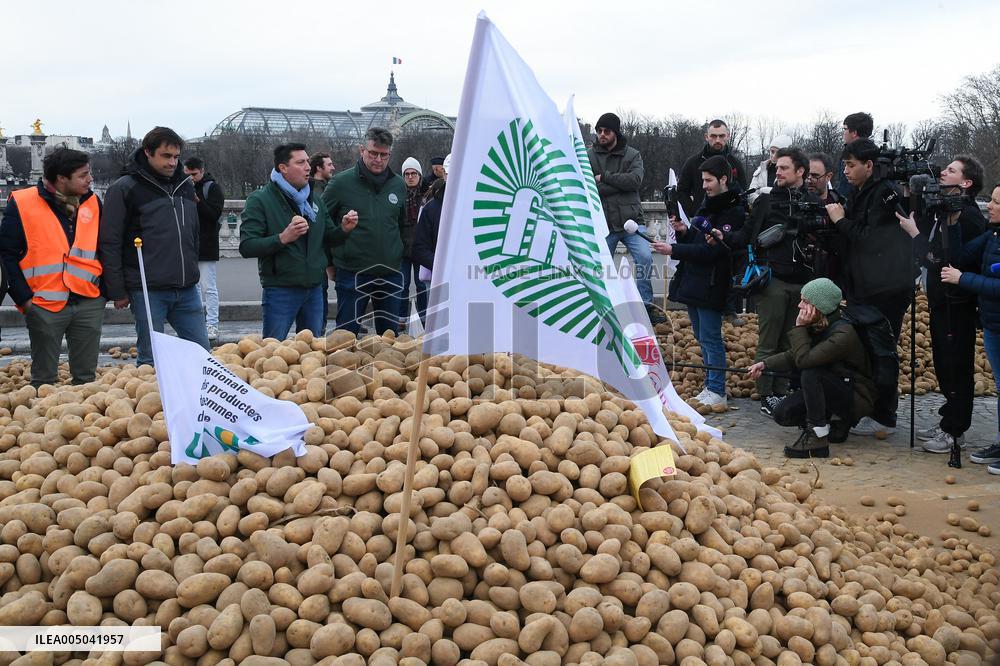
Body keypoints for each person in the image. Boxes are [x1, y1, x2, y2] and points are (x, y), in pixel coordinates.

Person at [719, 148, 822, 416]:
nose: (779, 172)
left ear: (800, 171)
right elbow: (745, 235)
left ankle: (783, 390)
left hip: (803, 283)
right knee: (769, 341)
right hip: (772, 281)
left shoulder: (813, 202)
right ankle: (767, 394)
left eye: (785, 168)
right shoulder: (766, 202)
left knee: (792, 341)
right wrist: (722, 236)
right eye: (777, 168)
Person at [897, 156, 986, 453]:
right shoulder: (944, 211)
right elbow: (932, 254)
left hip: (957, 304)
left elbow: (943, 261)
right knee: (944, 366)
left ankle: (955, 430)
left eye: (951, 170)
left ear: (966, 183)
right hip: (940, 302)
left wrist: (914, 235)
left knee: (956, 367)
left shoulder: (969, 217)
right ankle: (948, 418)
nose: (942, 173)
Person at [99, 126, 209, 366]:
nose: (173, 163)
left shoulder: (186, 185)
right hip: (147, 290)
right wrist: (117, 290)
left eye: (176, 157)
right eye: (166, 156)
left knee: (203, 355)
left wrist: (193, 270)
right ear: (148, 152)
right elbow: (110, 241)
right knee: (151, 360)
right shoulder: (124, 188)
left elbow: (192, 233)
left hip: (187, 287)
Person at [826, 138, 915, 437]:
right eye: (844, 166)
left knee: (882, 352)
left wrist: (839, 221)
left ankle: (884, 416)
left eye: (851, 165)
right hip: (864, 286)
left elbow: (871, 239)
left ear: (869, 165)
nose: (846, 171)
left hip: (887, 288)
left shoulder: (884, 194)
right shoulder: (859, 192)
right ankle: (868, 408)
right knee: (866, 352)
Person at [0, 148, 105, 386]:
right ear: (61, 178)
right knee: (43, 380)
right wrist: (25, 299)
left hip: (88, 299)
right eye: (83, 175)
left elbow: (106, 247)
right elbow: (6, 255)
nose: (90, 179)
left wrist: (103, 292)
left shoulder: (92, 202)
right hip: (44, 304)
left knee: (87, 380)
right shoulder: (24, 202)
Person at [652, 155, 744, 408]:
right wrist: (684, 232)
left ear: (723, 179)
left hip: (713, 282)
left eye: (708, 180)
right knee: (701, 337)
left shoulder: (734, 211)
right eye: (703, 180)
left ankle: (717, 389)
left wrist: (674, 250)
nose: (703, 185)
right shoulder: (707, 204)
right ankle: (710, 385)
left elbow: (714, 251)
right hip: (695, 280)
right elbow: (699, 241)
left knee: (711, 337)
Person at [747, 278, 875, 458]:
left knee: (810, 372)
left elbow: (805, 360)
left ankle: (818, 435)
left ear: (819, 306)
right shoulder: (821, 324)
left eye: (805, 302)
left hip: (854, 397)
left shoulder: (843, 334)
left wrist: (799, 327)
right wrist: (765, 364)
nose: (799, 306)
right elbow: (794, 354)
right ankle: (830, 421)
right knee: (782, 414)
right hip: (833, 387)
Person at [240, 143, 357, 340]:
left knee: (313, 353)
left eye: (308, 162)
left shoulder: (314, 200)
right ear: (283, 168)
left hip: (314, 289)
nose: (307, 167)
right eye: (301, 162)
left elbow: (329, 237)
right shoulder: (260, 200)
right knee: (273, 352)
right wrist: (282, 238)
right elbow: (247, 246)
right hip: (280, 289)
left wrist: (344, 229)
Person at [323, 128, 406, 335]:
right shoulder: (340, 183)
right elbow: (322, 224)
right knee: (345, 337)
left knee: (389, 340)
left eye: (384, 155)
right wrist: (328, 263)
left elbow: (402, 226)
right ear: (362, 150)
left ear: (390, 154)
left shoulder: (398, 185)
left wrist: (399, 258)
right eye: (373, 153)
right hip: (353, 273)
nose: (378, 159)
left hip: (390, 274)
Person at [941, 182, 1000, 472]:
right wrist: (952, 224)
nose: (990, 205)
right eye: (992, 200)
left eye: (997, 203)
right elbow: (959, 257)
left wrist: (962, 280)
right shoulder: (992, 234)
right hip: (992, 323)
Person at [588, 112, 662, 324]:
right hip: (604, 223)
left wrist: (605, 178)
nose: (602, 134)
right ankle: (602, 308)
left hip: (632, 221)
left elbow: (635, 181)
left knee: (645, 258)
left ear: (616, 133)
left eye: (607, 131)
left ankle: (646, 306)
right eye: (599, 131)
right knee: (600, 266)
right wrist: (618, 186)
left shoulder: (633, 154)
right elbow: (589, 186)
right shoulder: (588, 156)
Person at [183, 157, 225, 342]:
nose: (190, 178)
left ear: (201, 171)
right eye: (187, 175)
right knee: (193, 287)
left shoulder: (212, 188)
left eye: (193, 174)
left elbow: (214, 214)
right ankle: (197, 324)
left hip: (206, 244)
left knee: (209, 287)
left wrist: (197, 201)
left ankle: (212, 324)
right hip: (188, 244)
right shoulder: (183, 187)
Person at [677, 119, 748, 217]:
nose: (717, 140)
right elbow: (682, 191)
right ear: (706, 137)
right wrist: (693, 211)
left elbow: (743, 191)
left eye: (721, 136)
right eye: (713, 136)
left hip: (728, 220)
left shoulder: (735, 163)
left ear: (728, 136)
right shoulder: (692, 162)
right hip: (702, 219)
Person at [399, 156, 428, 327]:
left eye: (414, 173)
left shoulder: (426, 195)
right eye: (407, 174)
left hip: (420, 247)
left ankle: (424, 318)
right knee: (402, 285)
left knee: (421, 285)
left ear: (419, 175)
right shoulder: (398, 195)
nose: (410, 177)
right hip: (402, 247)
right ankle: (400, 318)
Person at [309, 152, 336, 334]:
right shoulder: (317, 191)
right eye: (329, 164)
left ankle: (319, 329)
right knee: (319, 293)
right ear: (319, 168)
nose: (333, 167)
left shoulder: (323, 188)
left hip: (325, 250)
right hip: (322, 252)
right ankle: (319, 330)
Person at [412, 155, 448, 279]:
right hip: (438, 277)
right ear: (444, 175)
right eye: (448, 173)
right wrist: (442, 266)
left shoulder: (473, 207)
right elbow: (419, 247)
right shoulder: (430, 208)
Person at [835, 112, 874, 198]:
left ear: (854, 133)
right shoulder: (876, 153)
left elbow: (845, 189)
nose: (843, 133)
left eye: (845, 129)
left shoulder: (850, 155)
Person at [748, 135, 793, 204]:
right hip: (758, 210)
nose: (774, 155)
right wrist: (762, 203)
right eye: (772, 151)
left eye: (778, 153)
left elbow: (786, 194)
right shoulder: (761, 170)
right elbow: (751, 193)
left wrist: (762, 191)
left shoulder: (789, 172)